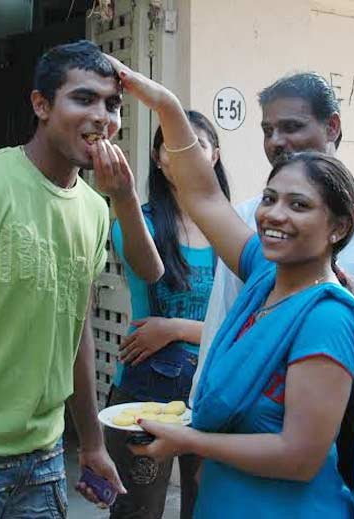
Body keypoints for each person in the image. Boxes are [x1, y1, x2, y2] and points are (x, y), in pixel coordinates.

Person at [105, 55, 354, 518]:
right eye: (269, 198)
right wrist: (164, 105)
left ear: (338, 228)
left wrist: (192, 441)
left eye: (299, 205)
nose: (274, 215)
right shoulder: (264, 273)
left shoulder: (326, 317)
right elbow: (203, 194)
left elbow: (299, 457)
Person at [0, 40, 165, 518]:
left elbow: (77, 330)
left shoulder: (94, 208)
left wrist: (91, 444)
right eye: (83, 98)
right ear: (40, 105)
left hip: (43, 457)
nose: (102, 116)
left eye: (112, 104)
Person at [189, 72, 354, 506]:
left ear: (332, 127)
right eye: (267, 129)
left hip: (339, 431)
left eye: (291, 126)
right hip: (242, 432)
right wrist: (200, 423)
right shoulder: (253, 220)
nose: (277, 141)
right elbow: (222, 328)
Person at [105, 110, 230, 519]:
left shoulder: (233, 230)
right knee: (137, 511)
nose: (182, 153)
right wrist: (198, 331)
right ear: (158, 158)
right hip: (144, 393)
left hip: (212, 390)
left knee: (207, 507)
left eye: (196, 144)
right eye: (170, 146)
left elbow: (242, 324)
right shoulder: (137, 223)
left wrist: (175, 328)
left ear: (214, 156)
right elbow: (147, 271)